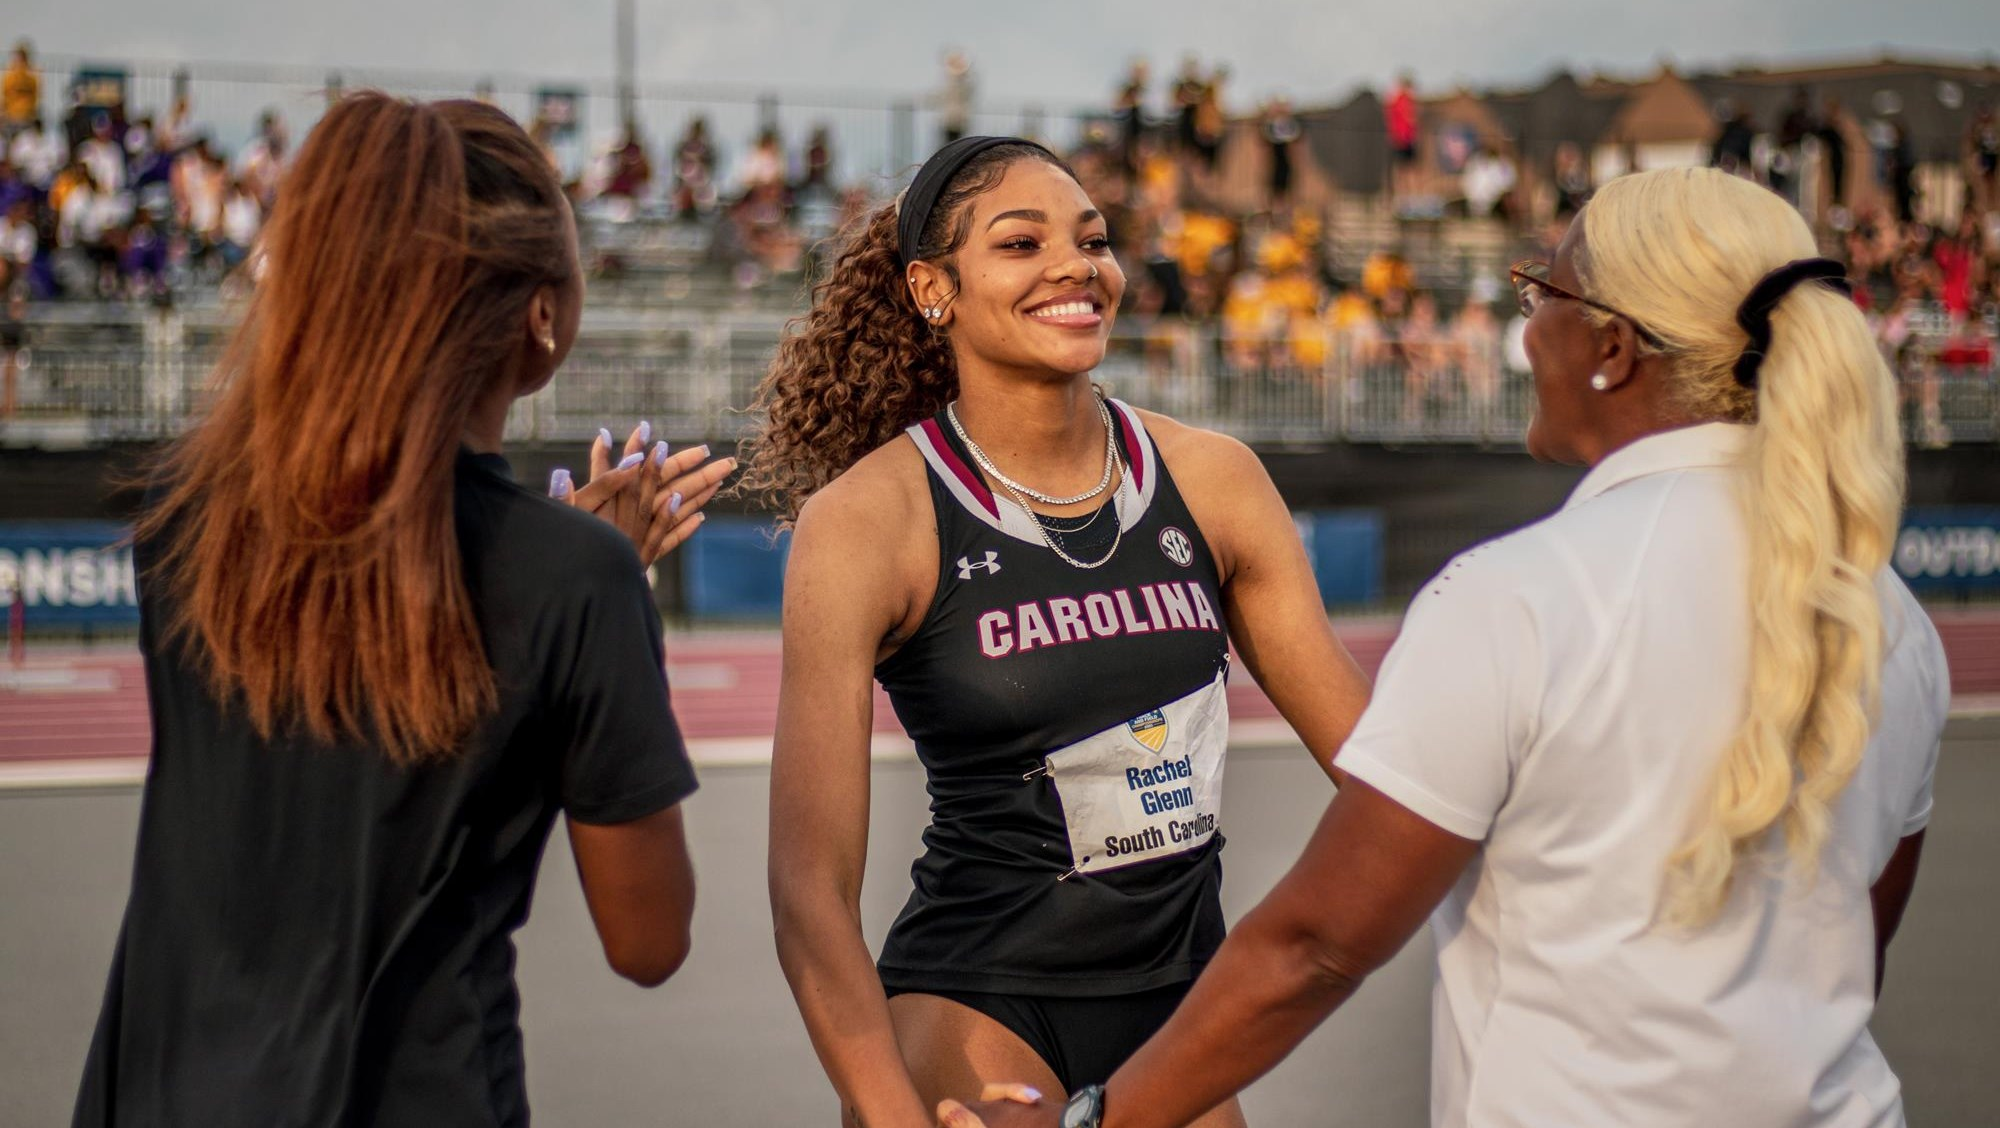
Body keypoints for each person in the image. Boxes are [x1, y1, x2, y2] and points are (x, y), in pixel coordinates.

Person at [948, 165, 1949, 1128]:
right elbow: (1851, 943)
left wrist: (1097, 1120)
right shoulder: (1889, 617)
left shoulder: (1516, 599)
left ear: (1608, 346)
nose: (1524, 330)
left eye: (1538, 291)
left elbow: (1314, 946)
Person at [72, 93, 723, 1127]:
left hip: (151, 1092)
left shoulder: (186, 524)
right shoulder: (575, 579)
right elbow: (650, 941)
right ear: (540, 316)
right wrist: (600, 597)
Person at [746, 136, 1370, 1128]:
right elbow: (809, 888)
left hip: (1182, 1016)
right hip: (976, 1004)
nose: (1075, 266)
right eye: (1020, 243)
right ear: (931, 288)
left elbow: (1381, 775)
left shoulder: (1211, 482)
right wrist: (886, 1112)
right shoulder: (869, 523)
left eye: (1092, 239)